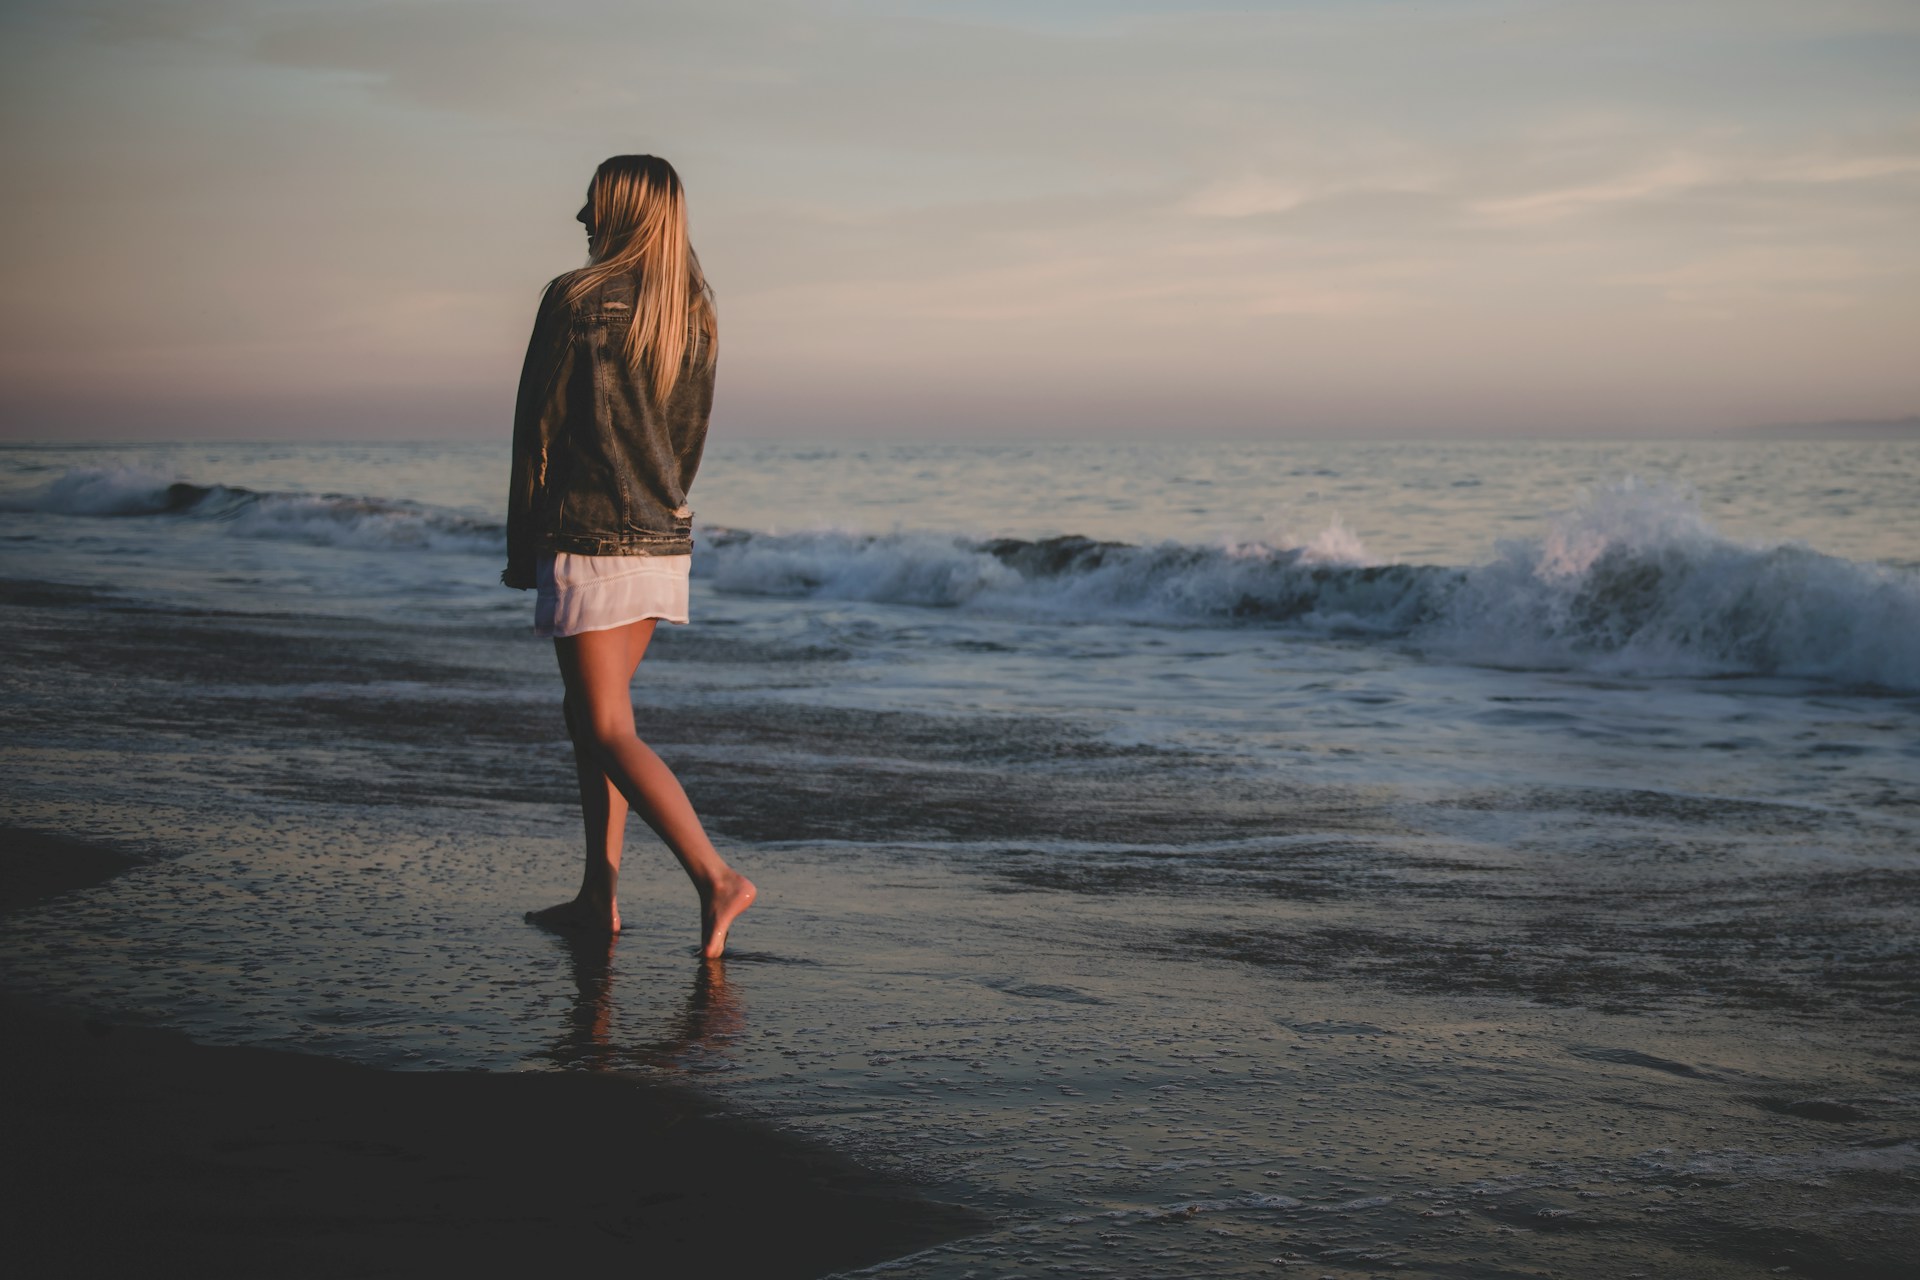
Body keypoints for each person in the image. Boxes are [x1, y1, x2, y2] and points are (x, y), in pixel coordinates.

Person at [502, 154, 755, 959]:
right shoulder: (695, 312)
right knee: (595, 720)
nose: (580, 214)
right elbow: (686, 445)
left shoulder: (574, 299)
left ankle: (717, 877)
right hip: (659, 539)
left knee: (605, 725)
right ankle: (596, 895)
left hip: (587, 535)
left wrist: (520, 543)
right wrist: (659, 513)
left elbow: (534, 432)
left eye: (593, 202)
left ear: (625, 212)